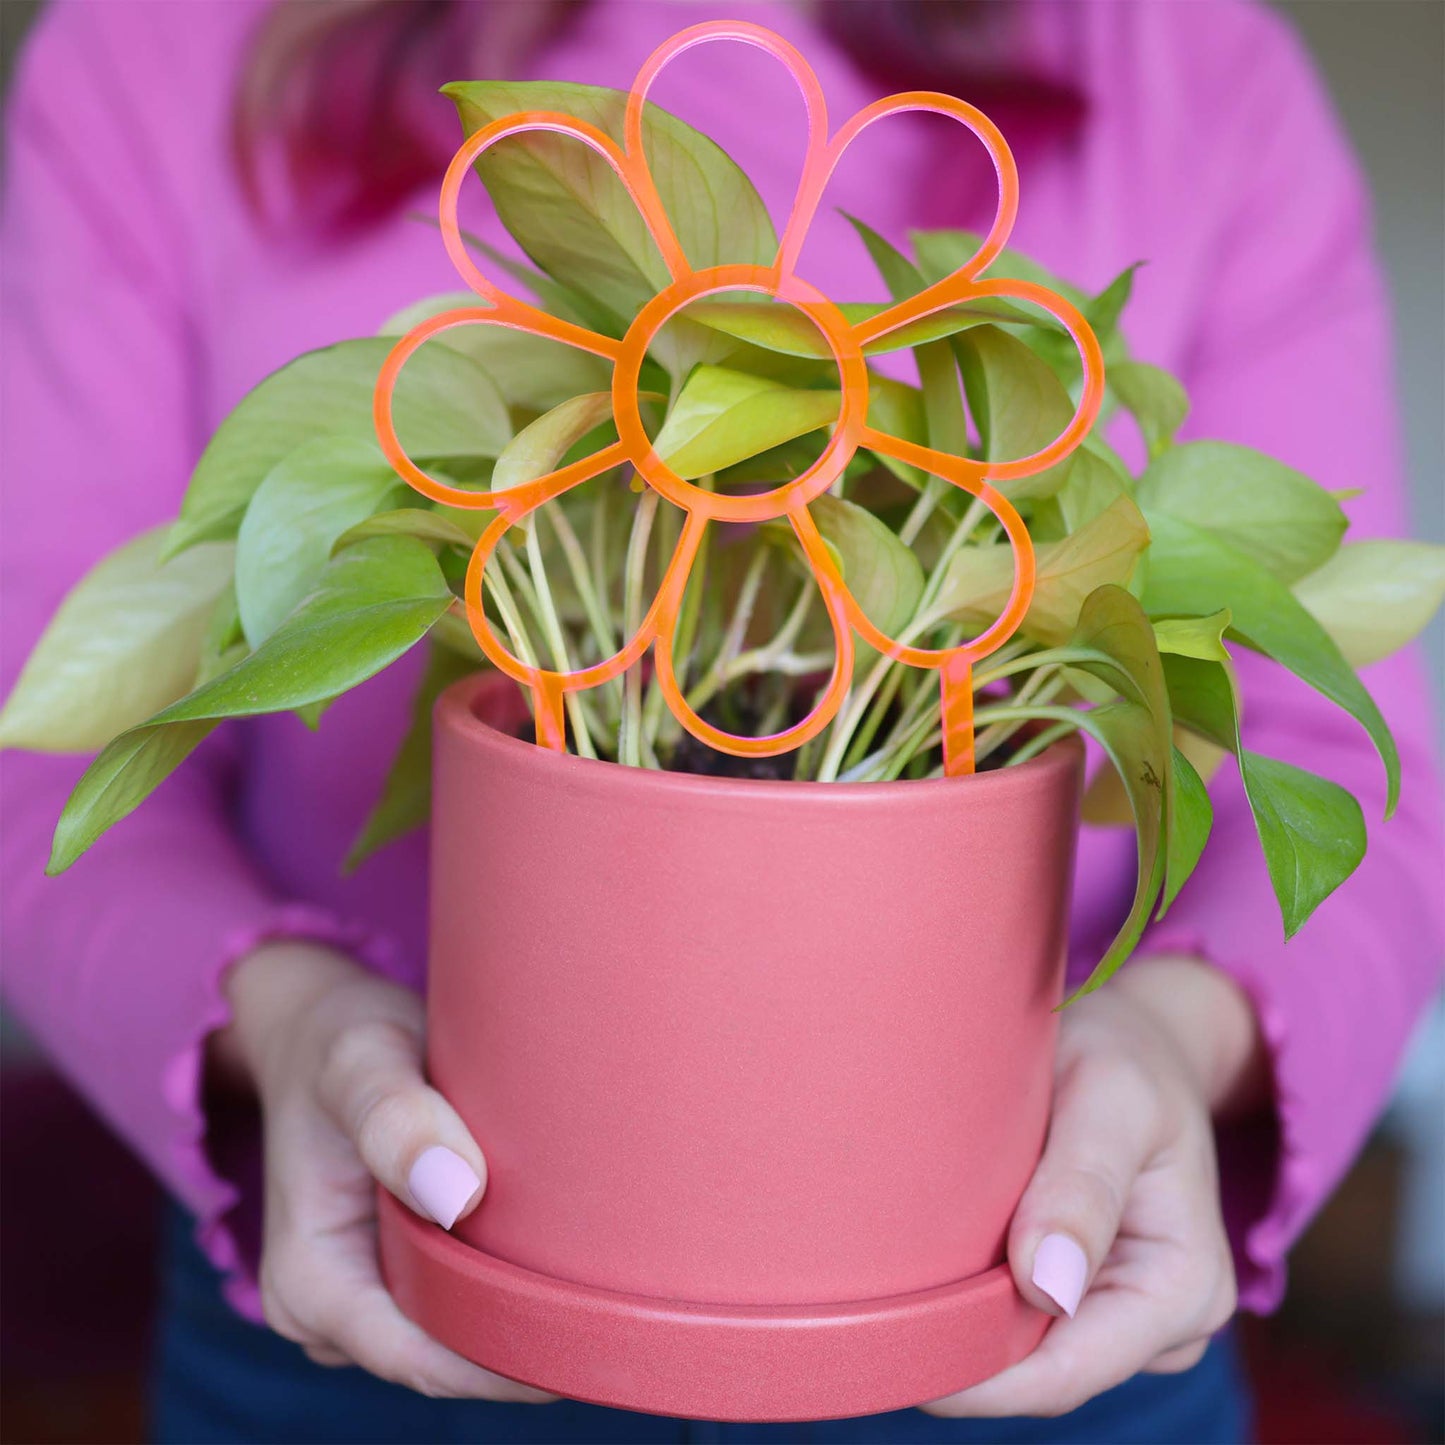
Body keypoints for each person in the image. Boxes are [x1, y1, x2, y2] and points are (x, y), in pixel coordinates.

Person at [1, 2, 1440, 1441]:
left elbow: (1351, 776)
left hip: (1027, 1294)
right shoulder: (156, 46)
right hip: (366, 1289)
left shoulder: (1185, 58)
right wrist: (287, 1019)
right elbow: (38, 756)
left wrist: (1175, 1044)